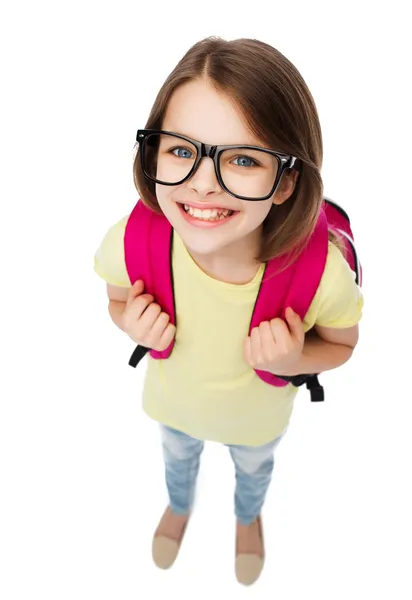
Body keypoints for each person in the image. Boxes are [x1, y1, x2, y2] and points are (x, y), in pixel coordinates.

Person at [93, 36, 363, 586]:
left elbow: (344, 342)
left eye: (242, 159)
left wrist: (294, 359)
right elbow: (116, 297)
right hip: (174, 405)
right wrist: (128, 321)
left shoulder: (322, 275)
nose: (202, 182)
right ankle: (179, 506)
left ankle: (247, 519)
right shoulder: (132, 242)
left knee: (253, 473)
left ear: (287, 179)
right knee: (177, 462)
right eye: (180, 149)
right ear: (153, 152)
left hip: (257, 421)